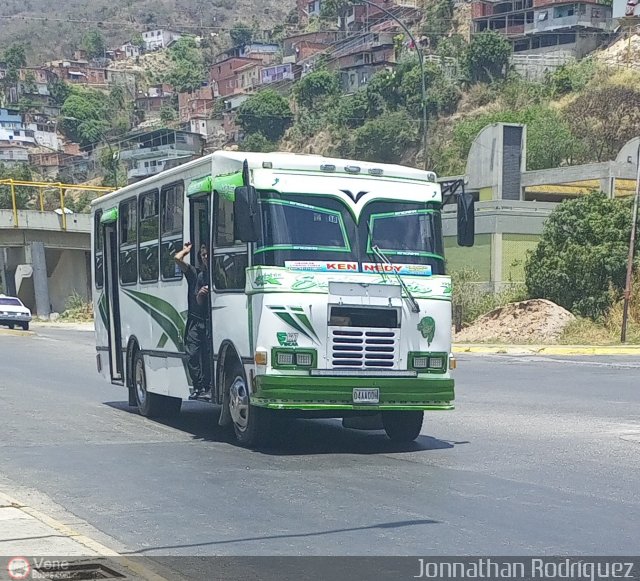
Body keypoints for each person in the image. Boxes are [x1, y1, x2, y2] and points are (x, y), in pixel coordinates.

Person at [174, 242, 212, 400]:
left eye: (207, 254)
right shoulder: (194, 274)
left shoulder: (217, 274)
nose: (205, 257)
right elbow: (177, 259)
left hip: (210, 321)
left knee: (208, 355)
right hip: (195, 322)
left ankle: (209, 386)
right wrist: (186, 250)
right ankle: (197, 387)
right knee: (192, 354)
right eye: (203, 254)